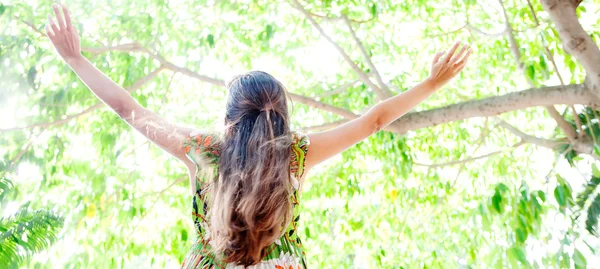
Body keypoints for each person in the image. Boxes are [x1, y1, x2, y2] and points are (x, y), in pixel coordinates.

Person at [45, 4, 471, 269]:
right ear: (282, 116)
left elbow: (129, 109)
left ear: (229, 119)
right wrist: (432, 83)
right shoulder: (297, 155)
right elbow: (374, 120)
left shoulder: (205, 151)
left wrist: (75, 59)